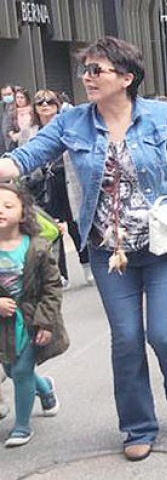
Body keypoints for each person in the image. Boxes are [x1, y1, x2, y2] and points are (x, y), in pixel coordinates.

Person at [0, 37, 167, 461]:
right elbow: (23, 159)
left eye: (96, 70)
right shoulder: (73, 123)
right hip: (110, 250)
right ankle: (137, 426)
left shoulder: (160, 118)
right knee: (126, 339)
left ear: (126, 77)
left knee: (163, 332)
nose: (87, 78)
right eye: (85, 70)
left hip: (164, 244)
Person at [0, 182, 67, 448]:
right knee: (10, 369)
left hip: (29, 320)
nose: (1, 211)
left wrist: (45, 322)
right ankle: (46, 390)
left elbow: (52, 287)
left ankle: (22, 425)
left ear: (24, 212)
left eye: (8, 206)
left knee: (21, 370)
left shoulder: (37, 247)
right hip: (4, 325)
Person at [22, 91, 89, 287]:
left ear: (57, 104)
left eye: (49, 101)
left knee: (75, 224)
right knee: (50, 229)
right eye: (40, 102)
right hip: (42, 184)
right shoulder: (29, 132)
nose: (45, 105)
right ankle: (58, 274)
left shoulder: (69, 125)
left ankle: (87, 265)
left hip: (67, 179)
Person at [1, 85, 15, 152]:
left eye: (9, 94)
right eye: (4, 95)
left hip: (16, 142)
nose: (7, 97)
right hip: (4, 145)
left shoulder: (20, 107)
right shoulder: (2, 107)